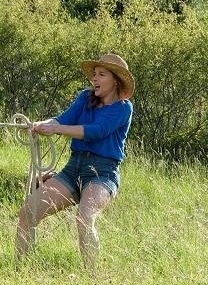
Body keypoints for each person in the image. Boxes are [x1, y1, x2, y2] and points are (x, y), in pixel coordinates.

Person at [15, 53, 134, 269]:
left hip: (103, 173)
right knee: (28, 211)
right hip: (73, 168)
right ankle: (21, 270)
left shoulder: (124, 108)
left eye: (101, 75)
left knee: (85, 217)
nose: (94, 79)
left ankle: (92, 279)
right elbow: (62, 119)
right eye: (94, 75)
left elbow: (97, 131)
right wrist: (42, 124)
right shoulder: (84, 98)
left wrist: (57, 129)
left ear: (115, 80)